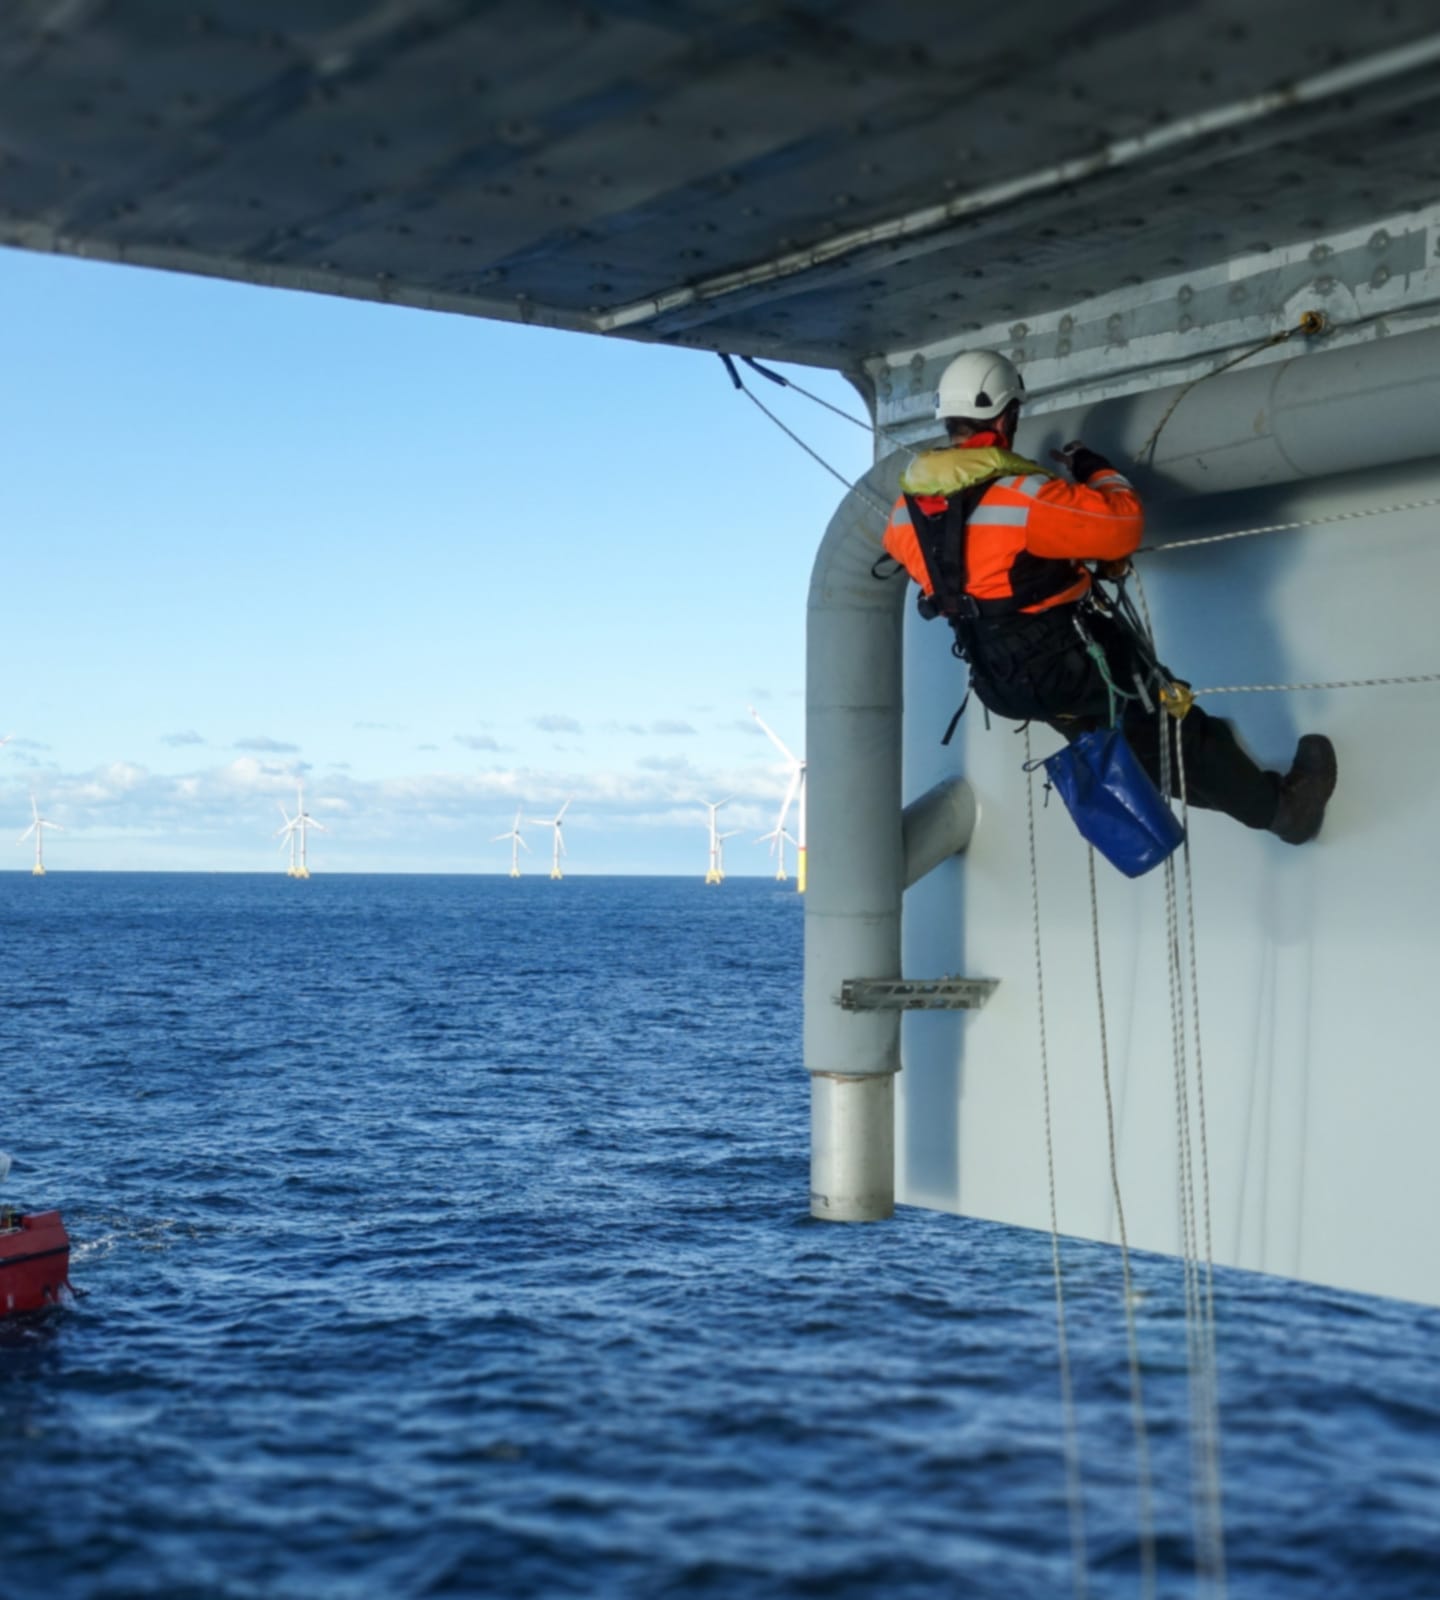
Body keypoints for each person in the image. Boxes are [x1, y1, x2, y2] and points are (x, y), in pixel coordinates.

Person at [882, 349, 1337, 844]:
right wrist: (1093, 467)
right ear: (1008, 414)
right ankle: (1283, 812)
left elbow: (981, 573)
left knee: (1134, 742)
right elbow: (1123, 525)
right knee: (1172, 732)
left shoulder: (905, 515)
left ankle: (1194, 783)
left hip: (999, 680)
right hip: (1067, 667)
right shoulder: (1023, 496)